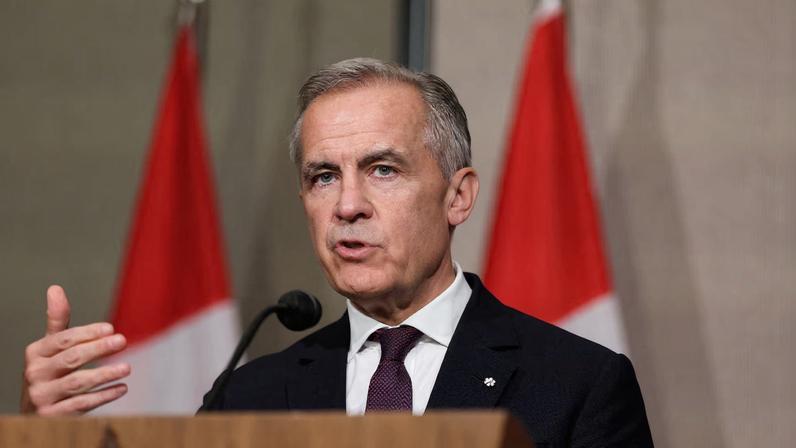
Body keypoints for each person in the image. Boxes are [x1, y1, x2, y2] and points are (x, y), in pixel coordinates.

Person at [21, 58, 654, 446]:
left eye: (382, 169)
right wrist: (42, 442)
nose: (347, 205)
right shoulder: (247, 397)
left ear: (458, 196)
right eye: (324, 177)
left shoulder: (580, 383)